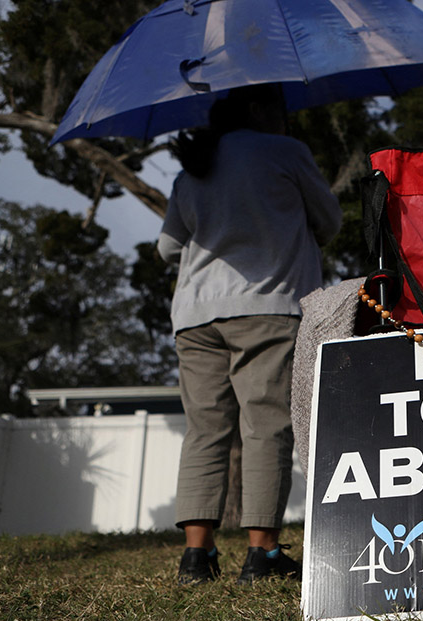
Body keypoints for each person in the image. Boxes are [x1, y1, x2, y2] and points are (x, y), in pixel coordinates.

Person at [159, 84, 343, 583]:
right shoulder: (285, 152)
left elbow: (167, 247)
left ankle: (197, 557)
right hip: (268, 305)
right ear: (260, 109)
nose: (286, 118)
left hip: (195, 314)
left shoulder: (193, 166)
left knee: (205, 431)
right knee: (265, 426)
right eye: (280, 108)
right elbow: (329, 222)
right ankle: (261, 556)